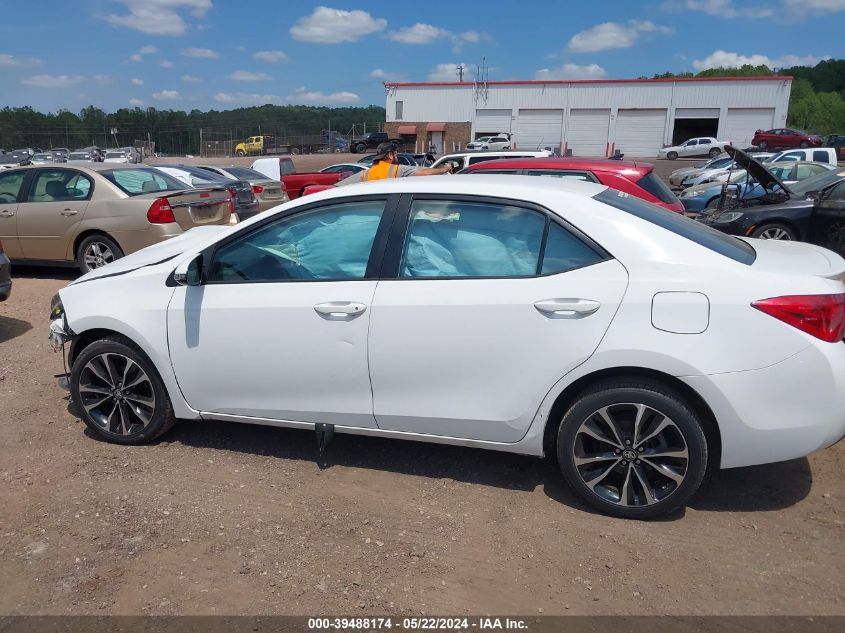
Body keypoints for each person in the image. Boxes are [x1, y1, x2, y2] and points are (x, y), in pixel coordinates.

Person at [336, 141, 454, 186]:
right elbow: (425, 172)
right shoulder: (397, 170)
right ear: (389, 155)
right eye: (395, 154)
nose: (396, 156)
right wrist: (444, 169)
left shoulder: (365, 174)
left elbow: (338, 186)